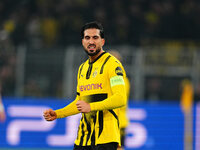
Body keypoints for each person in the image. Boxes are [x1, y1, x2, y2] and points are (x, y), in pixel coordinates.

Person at [43, 21, 127, 150]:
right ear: (82, 41)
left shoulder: (112, 64)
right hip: (83, 139)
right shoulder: (82, 68)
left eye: (95, 37)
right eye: (87, 38)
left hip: (106, 138)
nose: (91, 41)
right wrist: (58, 114)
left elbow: (120, 98)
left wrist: (91, 106)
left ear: (102, 41)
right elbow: (80, 102)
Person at [108, 50, 130, 150]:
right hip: (113, 121)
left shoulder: (119, 79)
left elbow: (116, 100)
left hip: (116, 122)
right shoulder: (122, 79)